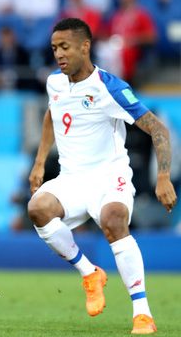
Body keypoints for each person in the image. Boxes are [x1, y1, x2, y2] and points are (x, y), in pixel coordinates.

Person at [27, 18, 177, 335]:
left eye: (65, 47)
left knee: (113, 221)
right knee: (38, 209)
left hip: (110, 176)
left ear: (85, 46)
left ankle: (142, 313)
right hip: (71, 178)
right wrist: (40, 162)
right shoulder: (54, 82)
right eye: (54, 48)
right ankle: (89, 272)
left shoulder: (110, 89)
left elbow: (158, 129)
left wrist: (163, 177)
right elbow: (51, 115)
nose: (59, 54)